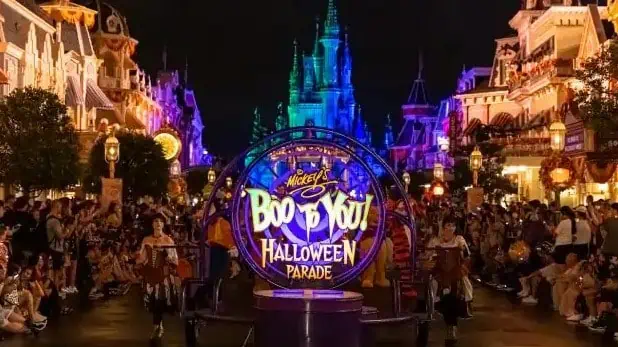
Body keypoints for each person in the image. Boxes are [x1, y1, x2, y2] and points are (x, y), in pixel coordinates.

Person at [425, 216, 470, 342]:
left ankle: (452, 326)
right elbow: (428, 255)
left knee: (456, 290)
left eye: (452, 225)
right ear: (443, 227)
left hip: (454, 272)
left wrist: (461, 251)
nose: (450, 228)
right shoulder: (435, 241)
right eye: (447, 225)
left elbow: (466, 253)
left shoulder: (459, 239)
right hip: (439, 273)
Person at [137, 213, 178, 340]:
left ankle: (157, 326)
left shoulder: (168, 240)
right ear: (152, 224)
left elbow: (175, 261)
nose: (158, 224)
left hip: (163, 275)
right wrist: (132, 260)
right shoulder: (146, 240)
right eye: (156, 221)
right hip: (150, 275)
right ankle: (157, 325)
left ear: (163, 224)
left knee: (160, 301)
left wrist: (167, 256)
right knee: (153, 302)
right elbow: (141, 258)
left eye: (160, 221)